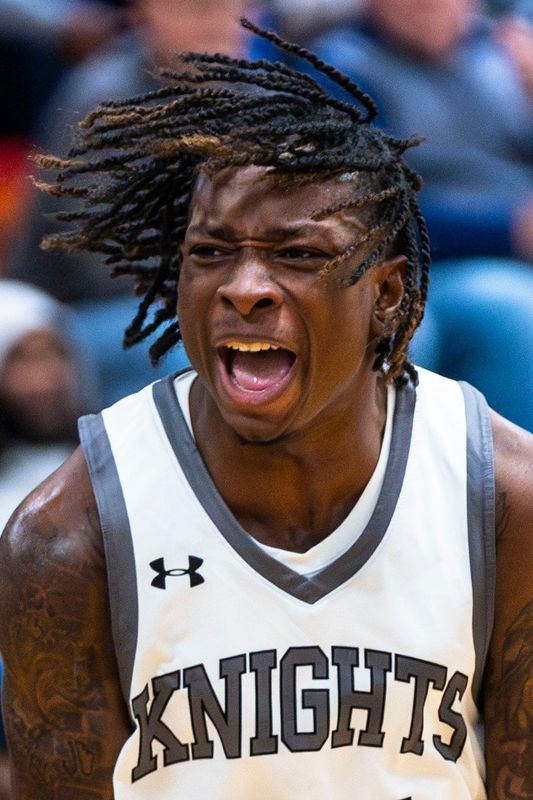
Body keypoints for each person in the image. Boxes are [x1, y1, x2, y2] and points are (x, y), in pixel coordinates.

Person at [0, 20, 531, 799]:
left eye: (298, 254)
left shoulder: (505, 503)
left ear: (387, 295)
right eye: (210, 253)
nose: (242, 287)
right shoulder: (67, 540)